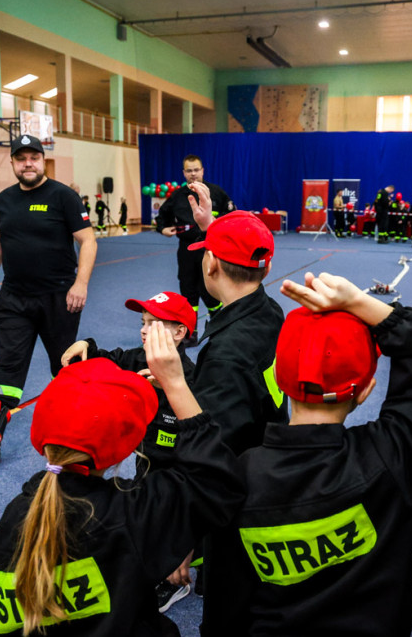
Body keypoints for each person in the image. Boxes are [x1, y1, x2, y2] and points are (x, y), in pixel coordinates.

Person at [202, 271, 412, 636]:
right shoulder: (392, 455)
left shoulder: (237, 480)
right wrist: (359, 302)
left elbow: (224, 602)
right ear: (366, 390)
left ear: (279, 379)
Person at [0, 339, 244, 636]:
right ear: (124, 450)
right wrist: (177, 385)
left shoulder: (15, 516)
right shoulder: (131, 514)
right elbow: (218, 482)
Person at [164, 204, 288, 594]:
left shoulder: (226, 355)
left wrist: (182, 538)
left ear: (211, 264)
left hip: (239, 489)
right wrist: (217, 229)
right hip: (268, 445)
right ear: (265, 269)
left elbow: (211, 453)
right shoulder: (268, 311)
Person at [0, 135, 96, 463]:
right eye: (22, 159)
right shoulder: (4, 200)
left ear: (43, 161)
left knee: (63, 366)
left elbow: (87, 241)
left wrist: (81, 284)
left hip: (58, 298)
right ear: (14, 163)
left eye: (34, 157)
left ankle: (74, 429)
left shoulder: (64, 197)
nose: (28, 163)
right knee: (8, 365)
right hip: (14, 298)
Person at [59, 290, 196, 481]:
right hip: (144, 466)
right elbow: (107, 359)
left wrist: (169, 387)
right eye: (143, 323)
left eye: (153, 324)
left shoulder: (191, 378)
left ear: (179, 332)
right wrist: (86, 345)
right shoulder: (136, 359)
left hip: (177, 476)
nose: (143, 330)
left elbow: (199, 433)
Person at [155, 155, 234, 344]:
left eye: (196, 170)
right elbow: (162, 218)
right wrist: (163, 229)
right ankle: (190, 334)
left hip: (211, 250)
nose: (193, 174)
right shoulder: (176, 197)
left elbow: (231, 216)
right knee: (188, 290)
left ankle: (219, 328)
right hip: (187, 251)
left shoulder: (216, 193)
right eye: (189, 170)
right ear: (184, 173)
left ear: (202, 171)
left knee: (212, 291)